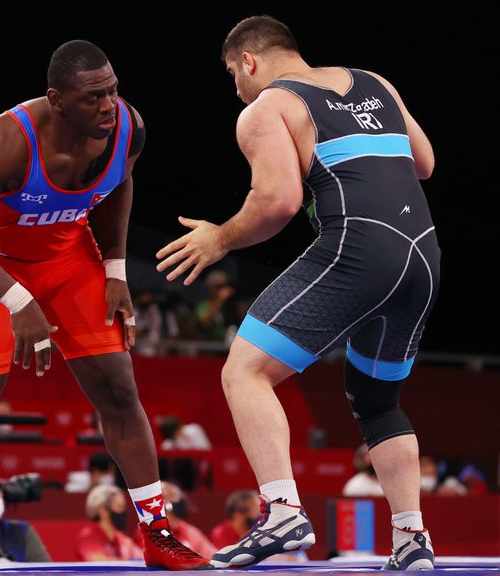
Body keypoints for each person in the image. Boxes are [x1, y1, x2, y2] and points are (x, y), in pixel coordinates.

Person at [0, 39, 210, 571]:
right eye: (93, 98)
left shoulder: (127, 128)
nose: (108, 106)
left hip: (70, 259)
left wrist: (115, 269)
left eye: (113, 91)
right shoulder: (7, 140)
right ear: (57, 100)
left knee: (120, 390)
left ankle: (157, 534)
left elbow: (118, 186)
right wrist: (17, 299)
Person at [156, 16, 439, 571]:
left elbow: (277, 202)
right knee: (377, 401)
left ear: (248, 62)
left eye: (232, 75)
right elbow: (424, 164)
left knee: (245, 370)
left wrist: (220, 238)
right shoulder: (377, 82)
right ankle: (412, 540)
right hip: (423, 256)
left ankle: (283, 511)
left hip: (361, 249)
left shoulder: (267, 108)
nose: (235, 88)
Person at [76, 484, 142, 562]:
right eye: (119, 506)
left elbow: (141, 558)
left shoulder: (123, 539)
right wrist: (126, 562)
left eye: (123, 507)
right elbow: (95, 560)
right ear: (103, 511)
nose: (123, 512)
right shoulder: (88, 536)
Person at [157, 482, 216, 558]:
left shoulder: (191, 532)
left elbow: (213, 557)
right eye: (170, 497)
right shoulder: (149, 533)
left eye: (177, 498)